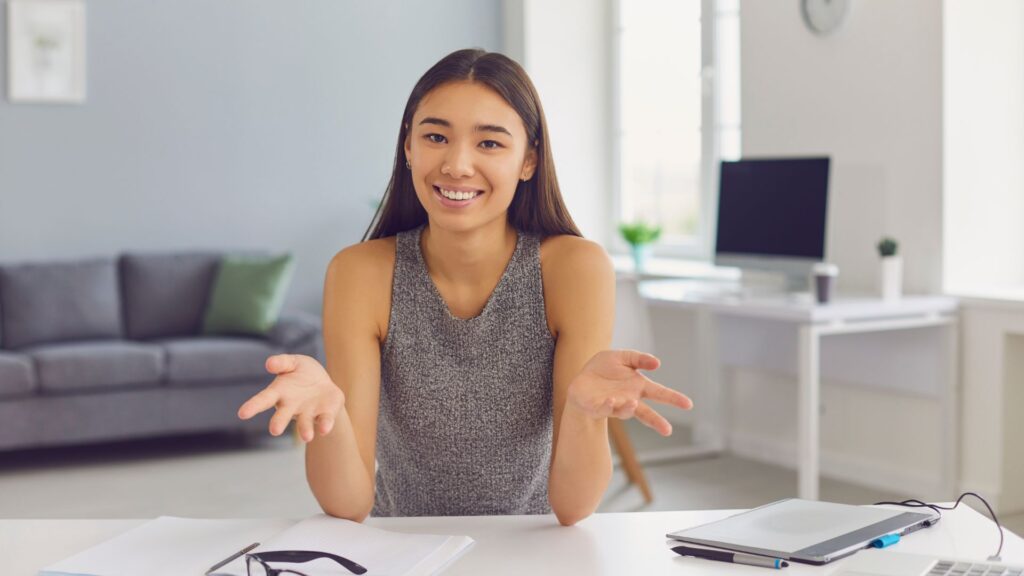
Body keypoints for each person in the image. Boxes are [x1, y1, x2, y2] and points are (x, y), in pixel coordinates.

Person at [237, 48, 693, 526]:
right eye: (435, 136)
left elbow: (573, 508)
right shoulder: (360, 272)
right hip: (404, 547)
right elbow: (349, 505)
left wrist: (583, 414)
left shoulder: (574, 267)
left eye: (490, 144)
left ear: (529, 160)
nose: (456, 165)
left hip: (529, 547)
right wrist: (329, 420)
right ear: (408, 147)